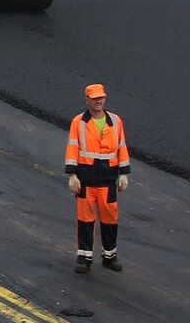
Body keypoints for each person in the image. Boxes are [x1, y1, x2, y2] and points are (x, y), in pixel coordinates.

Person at [68, 82, 131, 274]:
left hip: (108, 181)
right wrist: (72, 175)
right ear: (87, 100)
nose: (98, 101)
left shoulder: (115, 121)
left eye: (101, 97)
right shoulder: (78, 122)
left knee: (110, 220)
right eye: (94, 98)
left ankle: (109, 257)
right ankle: (84, 258)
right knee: (85, 220)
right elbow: (72, 148)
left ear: (105, 98)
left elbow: (121, 146)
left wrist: (124, 173)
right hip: (86, 181)